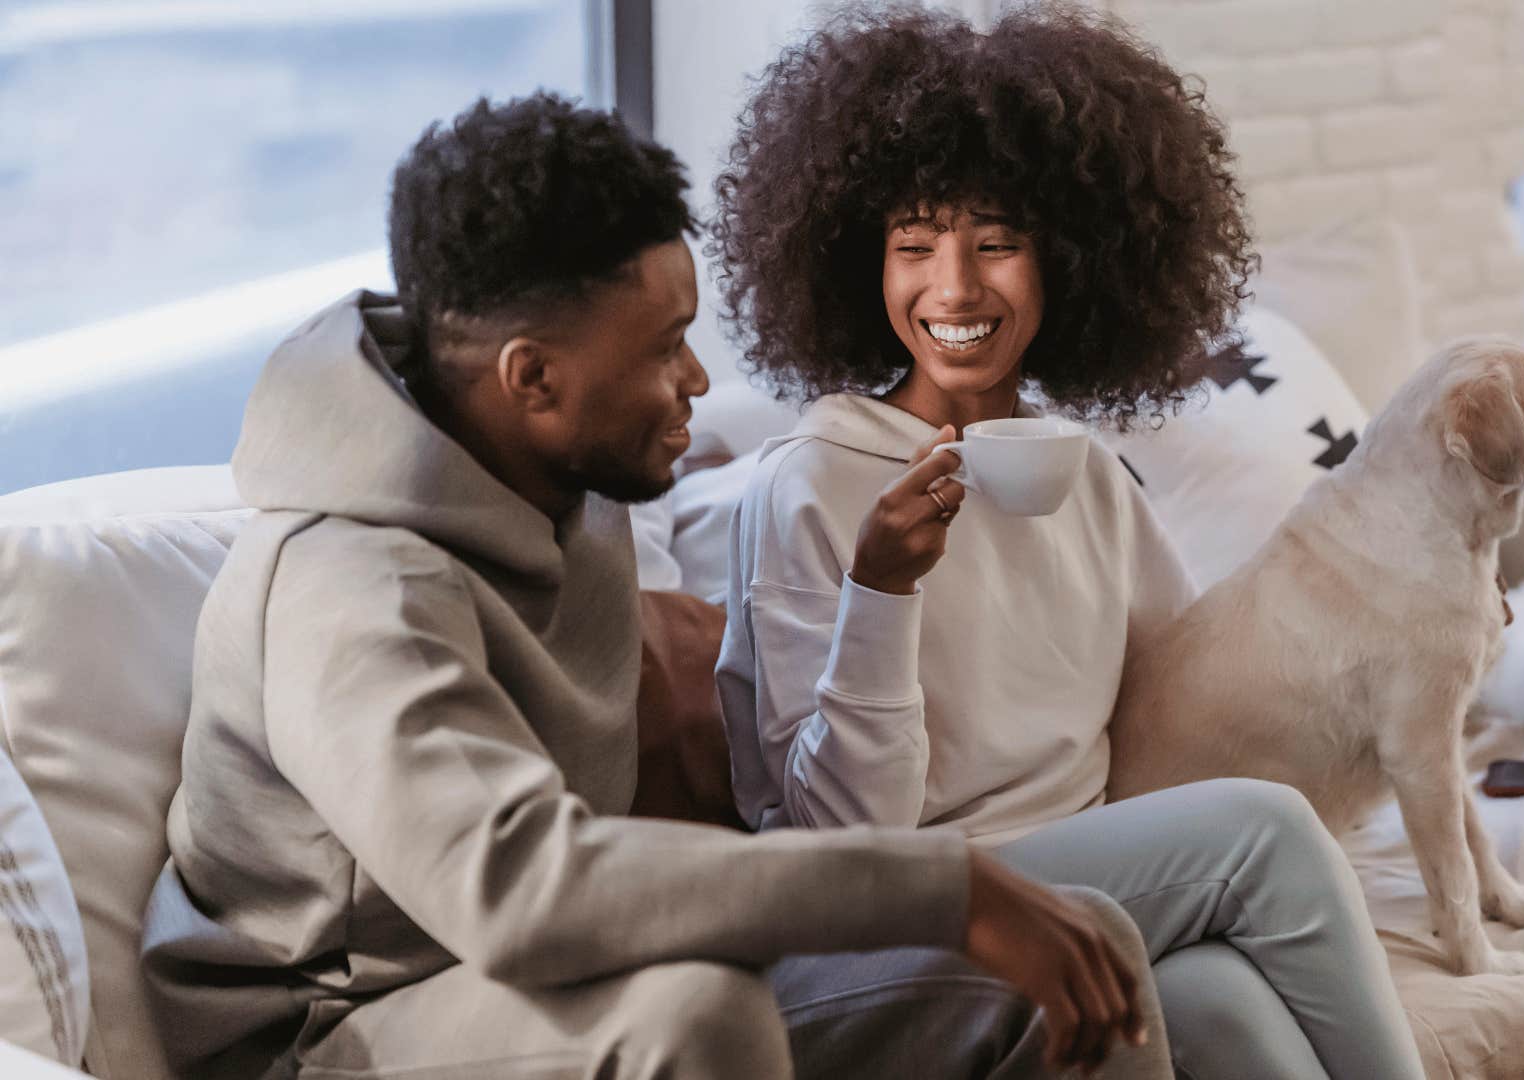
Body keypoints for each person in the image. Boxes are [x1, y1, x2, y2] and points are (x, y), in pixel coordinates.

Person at [139, 92, 1173, 1080]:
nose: (698, 382)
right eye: (665, 350)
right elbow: (522, 891)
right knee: (698, 1016)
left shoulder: (571, 484)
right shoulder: (345, 592)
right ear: (531, 379)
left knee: (1088, 945)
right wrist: (940, 887)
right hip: (341, 1029)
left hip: (572, 981)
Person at [711, 7, 1428, 1079]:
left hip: (1091, 894)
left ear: (1072, 261)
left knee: (1222, 1005)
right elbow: (849, 835)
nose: (953, 288)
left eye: (996, 244)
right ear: (864, 266)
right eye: (915, 247)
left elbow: (1186, 704)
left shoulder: (1086, 471)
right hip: (900, 912)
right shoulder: (810, 484)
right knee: (1267, 835)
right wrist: (881, 590)